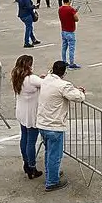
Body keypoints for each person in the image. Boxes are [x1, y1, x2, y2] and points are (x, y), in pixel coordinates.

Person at [36, 61, 86, 192]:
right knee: (55, 155)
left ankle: (51, 174)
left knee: (48, 152)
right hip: (54, 125)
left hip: (42, 123)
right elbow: (78, 97)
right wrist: (80, 91)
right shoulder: (63, 85)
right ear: (64, 72)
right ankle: (52, 181)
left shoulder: (46, 80)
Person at [11, 55, 43, 178]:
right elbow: (45, 84)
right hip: (31, 114)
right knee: (31, 142)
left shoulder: (17, 77)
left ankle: (26, 162)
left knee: (24, 138)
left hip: (21, 112)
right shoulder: (31, 79)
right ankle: (32, 166)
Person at [57, 0, 81, 68]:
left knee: (64, 47)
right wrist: (75, 13)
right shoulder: (71, 9)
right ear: (69, 0)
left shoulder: (60, 9)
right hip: (70, 31)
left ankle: (64, 61)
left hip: (63, 30)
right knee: (71, 48)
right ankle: (71, 63)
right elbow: (76, 19)